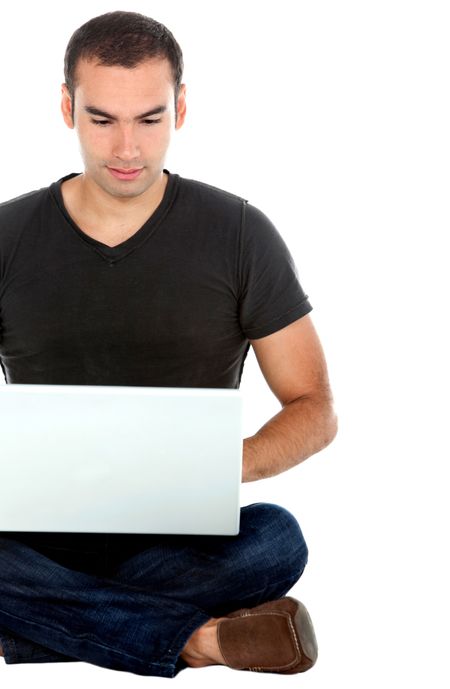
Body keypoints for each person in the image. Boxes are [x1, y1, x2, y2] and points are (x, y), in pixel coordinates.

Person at [0, 10, 337, 678]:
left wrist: (219, 467)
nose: (127, 148)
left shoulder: (240, 234)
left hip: (182, 535)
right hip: (36, 535)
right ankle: (200, 640)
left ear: (180, 108)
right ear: (67, 107)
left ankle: (34, 625)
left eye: (149, 120)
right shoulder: (6, 237)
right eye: (102, 120)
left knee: (277, 540)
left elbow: (314, 407)